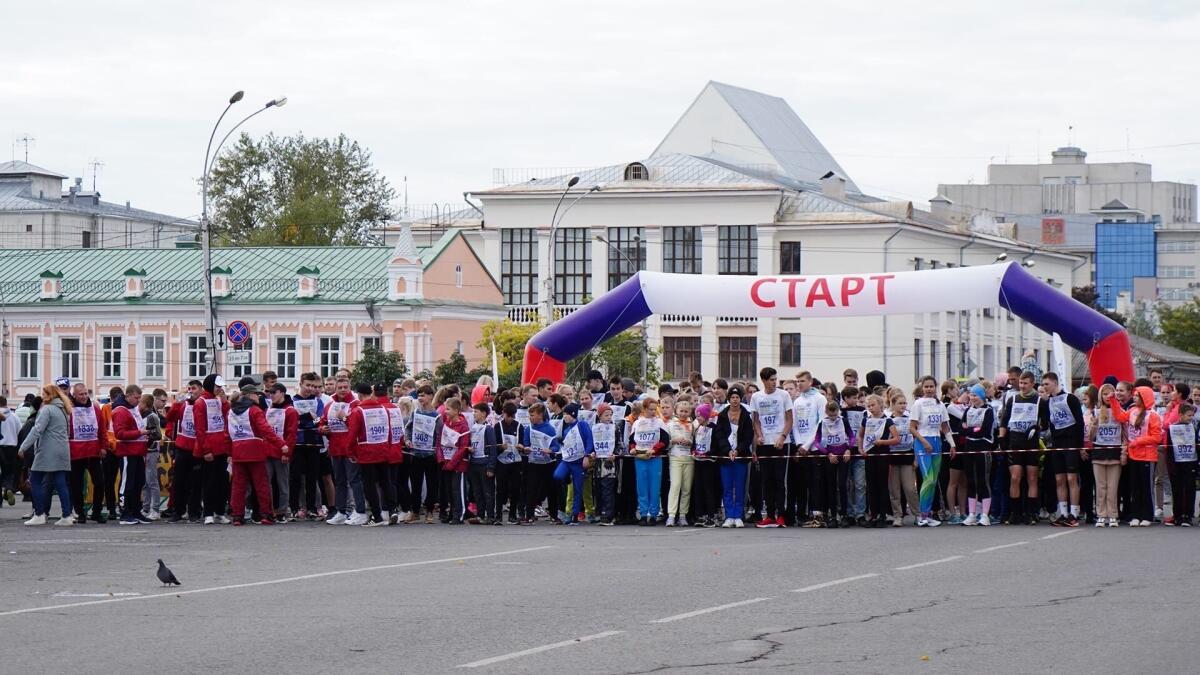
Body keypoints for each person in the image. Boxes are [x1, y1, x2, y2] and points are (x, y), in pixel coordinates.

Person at [227, 381, 287, 526]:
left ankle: (237, 516)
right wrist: (281, 444)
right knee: (262, 484)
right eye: (256, 394)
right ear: (249, 395)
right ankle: (266, 514)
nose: (259, 396)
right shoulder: (254, 410)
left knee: (238, 486)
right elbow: (266, 430)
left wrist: (230, 453)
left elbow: (227, 434)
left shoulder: (231, 411)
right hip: (255, 450)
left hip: (237, 451)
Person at [18, 384, 75, 526]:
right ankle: (67, 515)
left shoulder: (47, 410)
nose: (42, 397)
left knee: (35, 480)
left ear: (49, 395)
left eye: (44, 394)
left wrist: (23, 447)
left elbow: (37, 430)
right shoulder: (64, 409)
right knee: (61, 483)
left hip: (48, 450)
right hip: (62, 450)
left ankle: (39, 514)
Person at [1107, 385, 1160, 526]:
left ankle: (1147, 515)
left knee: (1146, 487)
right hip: (1133, 455)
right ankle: (1136, 515)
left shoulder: (1153, 415)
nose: (1134, 397)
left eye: (1137, 396)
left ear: (1144, 398)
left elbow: (1156, 437)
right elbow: (1119, 416)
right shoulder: (1132, 411)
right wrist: (1113, 401)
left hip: (1147, 456)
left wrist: (1138, 441)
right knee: (1135, 487)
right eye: (1135, 395)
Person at [1039, 372, 1085, 527]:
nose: (1044, 387)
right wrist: (1043, 405)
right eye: (1043, 384)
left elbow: (1079, 422)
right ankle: (1063, 513)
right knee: (1059, 479)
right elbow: (1046, 424)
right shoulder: (1048, 401)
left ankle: (1074, 513)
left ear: (1054, 383)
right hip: (1057, 443)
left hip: (1071, 441)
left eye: (1047, 384)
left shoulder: (1070, 398)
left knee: (1072, 478)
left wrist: (1080, 446)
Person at [750, 367, 793, 528]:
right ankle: (769, 514)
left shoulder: (784, 395)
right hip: (765, 443)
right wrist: (759, 435)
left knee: (779, 480)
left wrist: (782, 436)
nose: (774, 382)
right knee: (766, 480)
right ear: (764, 380)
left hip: (781, 443)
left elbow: (789, 419)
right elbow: (755, 420)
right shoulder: (756, 397)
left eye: (776, 379)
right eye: (771, 380)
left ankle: (781, 514)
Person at [909, 376, 954, 528]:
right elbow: (912, 428)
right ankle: (921, 516)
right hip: (923, 443)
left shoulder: (940, 405)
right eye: (926, 386)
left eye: (931, 386)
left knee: (934, 481)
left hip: (937, 442)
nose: (929, 389)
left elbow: (945, 427)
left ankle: (927, 515)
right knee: (927, 479)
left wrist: (952, 444)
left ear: (935, 387)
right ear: (922, 388)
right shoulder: (918, 404)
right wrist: (924, 442)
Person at [347, 383, 395, 526]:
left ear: (360, 395)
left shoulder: (358, 411)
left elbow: (352, 434)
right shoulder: (383, 409)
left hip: (366, 451)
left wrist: (350, 451)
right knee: (385, 482)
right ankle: (392, 511)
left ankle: (377, 516)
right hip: (383, 448)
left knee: (369, 485)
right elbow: (389, 430)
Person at [322, 379, 366, 526]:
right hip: (335, 449)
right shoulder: (329, 405)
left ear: (350, 388)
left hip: (350, 449)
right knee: (339, 481)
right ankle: (341, 512)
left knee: (354, 480)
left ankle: (360, 511)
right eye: (340, 387)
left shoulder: (356, 404)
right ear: (335, 388)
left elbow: (357, 426)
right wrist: (322, 429)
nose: (342, 390)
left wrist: (345, 418)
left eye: (345, 387)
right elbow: (322, 421)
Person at [999, 371, 1042, 525]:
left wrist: (1038, 428)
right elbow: (1004, 421)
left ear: (1032, 384)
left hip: (1031, 443)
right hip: (1015, 442)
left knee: (1031, 478)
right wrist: (1002, 438)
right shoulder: (1013, 399)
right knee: (1015, 477)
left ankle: (1031, 513)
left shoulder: (1039, 400)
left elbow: (1046, 422)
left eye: (1025, 383)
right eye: (1021, 383)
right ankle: (1015, 513)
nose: (1022, 386)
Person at [808, 401, 855, 528]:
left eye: (835, 415)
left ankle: (844, 515)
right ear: (827, 412)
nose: (833, 418)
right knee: (831, 486)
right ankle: (833, 515)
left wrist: (848, 449)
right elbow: (817, 441)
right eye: (831, 415)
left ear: (838, 411)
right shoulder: (823, 423)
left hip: (843, 456)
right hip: (830, 458)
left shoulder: (843, 421)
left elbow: (851, 436)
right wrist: (828, 453)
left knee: (842, 485)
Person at [193, 374, 232, 525]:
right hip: (209, 448)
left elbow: (227, 417)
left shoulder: (218, 400)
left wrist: (225, 402)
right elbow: (200, 429)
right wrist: (206, 450)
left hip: (221, 446)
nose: (220, 389)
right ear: (210, 385)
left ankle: (220, 511)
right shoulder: (200, 402)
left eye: (221, 386)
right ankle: (208, 512)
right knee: (209, 482)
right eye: (217, 386)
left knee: (222, 482)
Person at [713, 386, 754, 528]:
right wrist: (727, 450)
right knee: (727, 486)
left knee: (740, 486)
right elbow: (719, 435)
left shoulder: (746, 415)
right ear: (729, 399)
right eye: (732, 398)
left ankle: (738, 515)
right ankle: (729, 515)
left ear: (740, 399)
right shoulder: (722, 415)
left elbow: (748, 436)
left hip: (740, 457)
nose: (735, 400)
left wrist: (738, 450)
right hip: (726, 457)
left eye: (737, 397)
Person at [67, 383, 107, 523]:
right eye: (81, 394)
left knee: (99, 482)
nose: (84, 397)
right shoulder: (69, 409)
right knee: (76, 485)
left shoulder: (95, 409)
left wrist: (103, 446)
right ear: (75, 395)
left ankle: (96, 511)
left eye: (85, 394)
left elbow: (102, 429)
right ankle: (80, 512)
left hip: (93, 451)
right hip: (76, 452)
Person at [112, 385, 151, 525]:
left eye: (139, 398)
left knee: (138, 482)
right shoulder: (120, 411)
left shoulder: (133, 408)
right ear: (127, 396)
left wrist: (143, 434)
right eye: (136, 398)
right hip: (127, 452)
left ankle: (136, 511)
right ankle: (124, 512)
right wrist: (140, 433)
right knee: (127, 483)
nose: (138, 401)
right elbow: (120, 434)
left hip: (138, 450)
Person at [289, 372, 326, 521]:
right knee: (295, 477)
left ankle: (312, 508)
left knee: (312, 477)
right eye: (307, 385)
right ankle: (294, 508)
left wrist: (305, 419)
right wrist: (306, 418)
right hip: (297, 442)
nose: (310, 388)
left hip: (314, 442)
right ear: (301, 384)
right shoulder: (292, 400)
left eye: (313, 386)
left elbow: (318, 420)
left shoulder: (318, 402)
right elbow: (293, 421)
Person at [165, 381, 203, 523]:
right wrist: (176, 403)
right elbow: (170, 419)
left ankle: (194, 511)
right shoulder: (183, 405)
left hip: (197, 447)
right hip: (182, 446)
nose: (191, 391)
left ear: (200, 390)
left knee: (195, 482)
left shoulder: (203, 403)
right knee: (179, 481)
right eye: (190, 389)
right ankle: (177, 511)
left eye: (194, 388)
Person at [1089, 383, 1125, 527]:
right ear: (1100, 396)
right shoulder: (1095, 412)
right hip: (1099, 452)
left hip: (1115, 452)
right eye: (1105, 394)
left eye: (1111, 394)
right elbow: (1091, 437)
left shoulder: (1120, 411)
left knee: (1113, 487)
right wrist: (1093, 426)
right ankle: (1101, 515)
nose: (1108, 397)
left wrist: (1124, 452)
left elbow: (1125, 435)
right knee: (1100, 487)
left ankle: (1113, 515)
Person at [859, 393, 897, 528]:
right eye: (868, 406)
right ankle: (873, 514)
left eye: (873, 405)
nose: (871, 408)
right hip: (870, 454)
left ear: (880, 405)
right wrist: (860, 448)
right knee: (871, 485)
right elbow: (861, 435)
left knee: (882, 485)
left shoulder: (888, 421)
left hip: (882, 454)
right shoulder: (866, 420)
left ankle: (883, 514)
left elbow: (896, 438)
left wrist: (883, 441)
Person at [518, 402, 559, 525]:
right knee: (531, 489)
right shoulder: (528, 428)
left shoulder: (550, 429)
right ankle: (529, 515)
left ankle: (554, 515)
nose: (530, 417)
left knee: (552, 490)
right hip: (534, 463)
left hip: (548, 464)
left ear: (540, 415)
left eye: (532, 415)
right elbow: (525, 443)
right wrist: (525, 448)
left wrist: (550, 450)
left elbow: (555, 446)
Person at [408, 384, 443, 524]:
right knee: (415, 484)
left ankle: (429, 511)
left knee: (431, 484)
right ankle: (415, 512)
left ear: (430, 396)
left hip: (430, 454)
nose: (421, 398)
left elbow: (440, 434)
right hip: (416, 453)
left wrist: (437, 449)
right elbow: (408, 428)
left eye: (423, 395)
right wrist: (407, 439)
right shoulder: (415, 413)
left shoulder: (437, 416)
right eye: (419, 395)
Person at [629, 397, 668, 526]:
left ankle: (653, 514)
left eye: (654, 409)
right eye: (650, 409)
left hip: (654, 459)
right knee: (642, 487)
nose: (653, 412)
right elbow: (632, 441)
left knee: (654, 487)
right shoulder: (637, 423)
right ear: (644, 409)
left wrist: (655, 450)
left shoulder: (660, 423)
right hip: (640, 459)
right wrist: (633, 449)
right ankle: (644, 514)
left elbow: (664, 441)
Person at [554, 403, 593, 525]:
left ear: (573, 414)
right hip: (567, 460)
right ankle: (568, 478)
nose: (564, 417)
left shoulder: (582, 425)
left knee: (578, 489)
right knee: (557, 475)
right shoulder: (566, 429)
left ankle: (574, 515)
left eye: (566, 414)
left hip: (578, 461)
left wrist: (587, 455)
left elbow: (589, 440)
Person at [961, 384, 995, 526]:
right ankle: (972, 514)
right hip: (969, 447)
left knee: (983, 481)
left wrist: (970, 429)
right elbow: (961, 429)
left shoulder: (988, 410)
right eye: (971, 395)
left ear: (981, 396)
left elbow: (984, 431)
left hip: (983, 447)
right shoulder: (968, 410)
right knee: (971, 481)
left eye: (975, 395)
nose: (972, 398)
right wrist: (973, 430)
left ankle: (985, 514)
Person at [265, 383, 298, 522]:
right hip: (267, 451)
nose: (271, 395)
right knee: (267, 482)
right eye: (270, 393)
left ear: (282, 393)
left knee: (282, 483)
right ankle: (269, 510)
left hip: (281, 451)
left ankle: (283, 510)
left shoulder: (290, 411)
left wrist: (287, 453)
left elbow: (291, 434)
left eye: (274, 392)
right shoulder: (269, 409)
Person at [887, 394, 919, 527]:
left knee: (910, 488)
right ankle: (897, 515)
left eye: (905, 403)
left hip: (907, 456)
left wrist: (916, 458)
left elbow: (916, 438)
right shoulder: (888, 420)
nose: (903, 406)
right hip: (893, 457)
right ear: (893, 404)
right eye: (900, 403)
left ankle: (917, 514)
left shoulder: (910, 418)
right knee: (894, 489)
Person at [438, 397, 471, 524]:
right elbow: (439, 443)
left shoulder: (463, 426)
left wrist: (452, 463)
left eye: (448, 409)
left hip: (458, 464)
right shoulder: (446, 424)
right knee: (449, 490)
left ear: (457, 410)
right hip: (446, 462)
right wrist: (441, 458)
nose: (446, 411)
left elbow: (463, 447)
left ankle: (460, 514)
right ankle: (452, 513)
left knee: (458, 489)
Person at [1164, 403, 1197, 526]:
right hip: (1176, 462)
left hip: (1190, 462)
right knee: (1177, 488)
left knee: (1189, 488)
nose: (1191, 418)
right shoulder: (1172, 429)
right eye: (1189, 415)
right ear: (1181, 415)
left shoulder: (1194, 427)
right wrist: (1170, 464)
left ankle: (1187, 515)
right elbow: (1169, 448)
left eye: (1192, 415)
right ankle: (1177, 515)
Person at [466, 402, 498, 525]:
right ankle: (480, 514)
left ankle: (490, 515)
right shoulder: (472, 428)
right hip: (474, 462)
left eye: (476, 412)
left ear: (484, 413)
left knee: (487, 491)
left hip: (484, 463)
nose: (474, 414)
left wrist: (491, 466)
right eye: (473, 411)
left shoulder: (488, 429)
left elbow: (493, 448)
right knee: (477, 491)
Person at [664, 401, 695, 527]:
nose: (683, 413)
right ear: (676, 411)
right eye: (681, 411)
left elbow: (696, 442)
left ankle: (682, 515)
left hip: (688, 459)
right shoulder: (670, 425)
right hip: (675, 458)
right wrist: (673, 440)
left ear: (690, 412)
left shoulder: (692, 425)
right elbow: (666, 442)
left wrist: (689, 442)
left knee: (686, 488)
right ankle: (671, 515)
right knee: (675, 485)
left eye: (686, 411)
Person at [493, 401, 524, 524]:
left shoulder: (519, 426)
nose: (510, 419)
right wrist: (500, 447)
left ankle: (512, 515)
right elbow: (494, 445)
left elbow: (523, 443)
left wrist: (521, 446)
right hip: (502, 461)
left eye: (512, 416)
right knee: (500, 489)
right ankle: (498, 515)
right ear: (503, 414)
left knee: (515, 488)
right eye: (508, 416)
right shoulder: (497, 426)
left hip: (515, 461)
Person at [691, 403, 720, 528]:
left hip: (709, 463)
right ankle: (700, 515)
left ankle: (711, 515)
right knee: (698, 489)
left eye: (700, 416)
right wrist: (693, 451)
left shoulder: (714, 428)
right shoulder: (697, 428)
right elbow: (694, 443)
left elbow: (717, 445)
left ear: (706, 416)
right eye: (697, 416)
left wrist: (709, 453)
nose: (698, 418)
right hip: (698, 462)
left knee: (709, 489)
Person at [139, 392, 166, 520]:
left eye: (141, 402)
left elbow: (158, 435)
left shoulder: (152, 416)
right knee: (145, 481)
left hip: (151, 450)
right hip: (144, 451)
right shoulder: (141, 415)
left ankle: (155, 509)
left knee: (152, 480)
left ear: (145, 404)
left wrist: (146, 436)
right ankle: (145, 507)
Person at [591, 403, 618, 526]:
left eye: (610, 415)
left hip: (609, 462)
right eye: (606, 415)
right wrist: (591, 452)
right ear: (599, 415)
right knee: (598, 488)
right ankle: (599, 512)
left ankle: (608, 515)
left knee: (608, 488)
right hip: (598, 462)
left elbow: (620, 444)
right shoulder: (595, 428)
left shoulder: (615, 428)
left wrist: (616, 454)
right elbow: (592, 443)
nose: (608, 417)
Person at [0, 396, 21, 509]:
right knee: (9, 472)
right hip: (11, 447)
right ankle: (8, 489)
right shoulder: (14, 416)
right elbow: (19, 430)